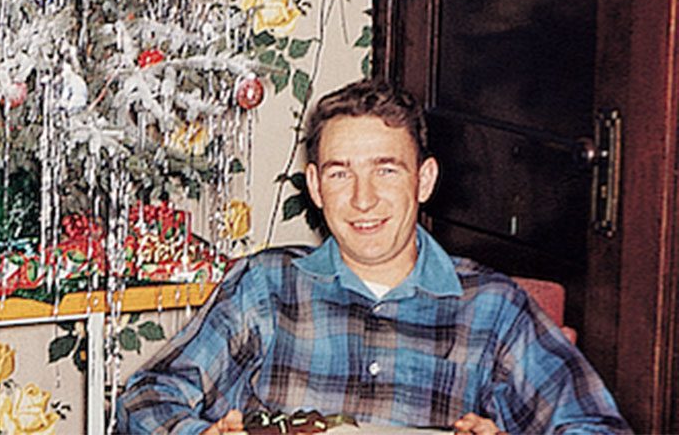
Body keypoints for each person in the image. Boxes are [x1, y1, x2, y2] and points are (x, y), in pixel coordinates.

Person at [115, 79, 629, 435]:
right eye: (340, 173)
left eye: (386, 170)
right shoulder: (265, 286)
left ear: (423, 180)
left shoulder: (493, 308)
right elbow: (145, 399)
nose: (363, 200)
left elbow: (596, 426)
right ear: (315, 186)